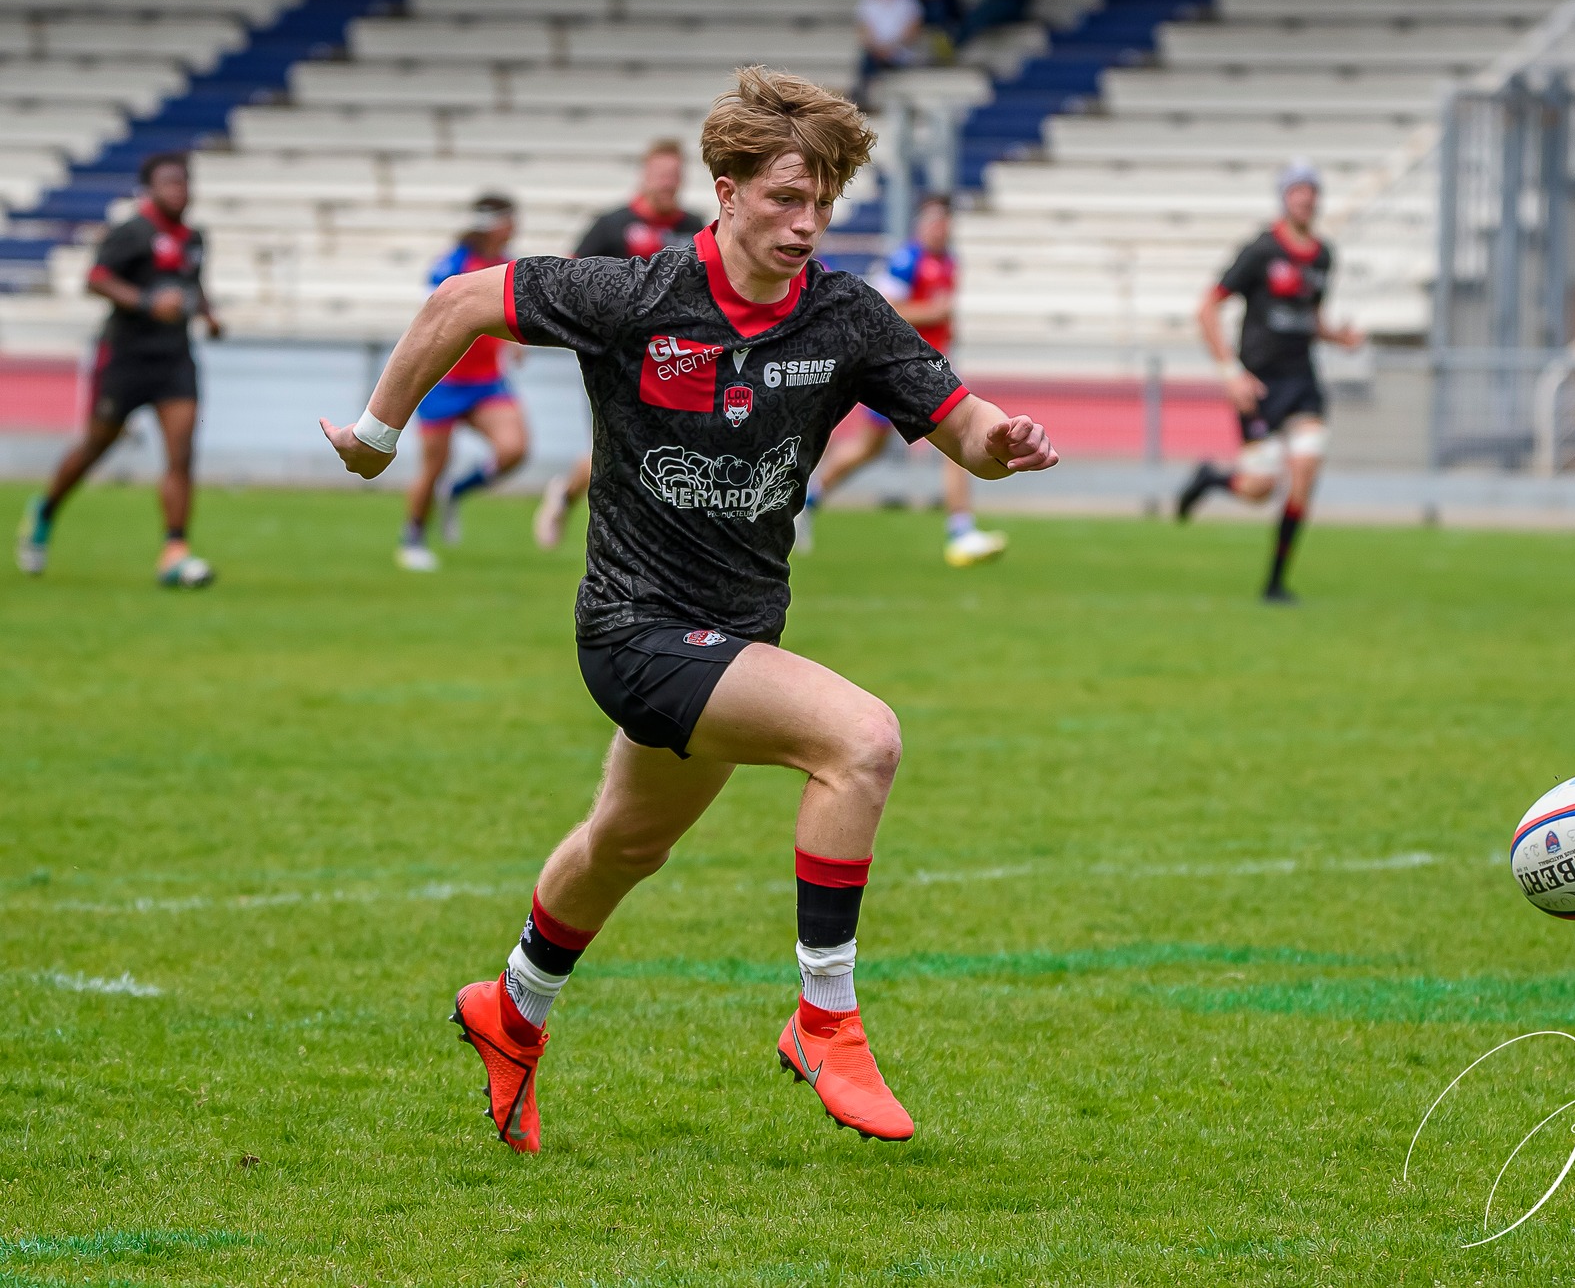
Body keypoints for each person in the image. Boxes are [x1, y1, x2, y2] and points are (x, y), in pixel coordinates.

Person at [320, 67, 1058, 1150]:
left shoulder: (844, 315)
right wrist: (379, 437)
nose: (804, 225)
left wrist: (1001, 445)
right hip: (630, 630)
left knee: (622, 846)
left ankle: (510, 1011)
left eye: (821, 204)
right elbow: (459, 301)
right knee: (861, 742)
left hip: (733, 639)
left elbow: (961, 425)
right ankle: (825, 1020)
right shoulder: (637, 298)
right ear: (724, 189)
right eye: (782, 200)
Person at [16, 152, 221, 587]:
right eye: (169, 183)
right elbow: (95, 279)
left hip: (175, 358)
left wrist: (208, 313)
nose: (178, 191)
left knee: (181, 454)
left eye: (183, 183)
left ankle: (175, 550)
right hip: (126, 356)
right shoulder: (131, 233)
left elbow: (193, 284)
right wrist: (146, 302)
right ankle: (46, 509)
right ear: (150, 189)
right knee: (96, 445)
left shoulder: (195, 238)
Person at [1177, 160, 1363, 604]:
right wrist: (1231, 373)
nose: (1306, 198)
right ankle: (1210, 480)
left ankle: (1275, 583)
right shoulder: (1260, 251)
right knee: (1259, 489)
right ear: (1284, 198)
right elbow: (1207, 308)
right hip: (1258, 386)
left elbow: (1309, 317)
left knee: (1305, 468)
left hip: (1302, 383)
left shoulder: (1323, 255)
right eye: (1297, 190)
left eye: (1312, 190)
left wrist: (1337, 336)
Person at [800, 195, 1006, 567]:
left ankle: (960, 531)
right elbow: (885, 311)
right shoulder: (907, 260)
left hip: (930, 369)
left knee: (937, 443)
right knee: (877, 447)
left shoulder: (948, 262)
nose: (940, 228)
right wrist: (933, 312)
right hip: (902, 372)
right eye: (934, 221)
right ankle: (808, 500)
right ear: (921, 225)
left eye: (945, 221)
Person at [535, 141, 707, 551]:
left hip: (677, 357)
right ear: (645, 176)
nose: (667, 184)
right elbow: (570, 279)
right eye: (660, 174)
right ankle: (574, 500)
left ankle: (655, 537)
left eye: (674, 176)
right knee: (617, 446)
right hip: (615, 358)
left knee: (671, 446)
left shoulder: (696, 224)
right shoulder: (611, 225)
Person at [398, 193, 529, 571]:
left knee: (513, 449)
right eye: (509, 218)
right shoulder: (453, 264)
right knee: (433, 465)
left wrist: (513, 342)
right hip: (444, 380)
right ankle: (413, 536)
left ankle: (457, 492)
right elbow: (436, 314)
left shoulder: (507, 264)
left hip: (486, 381)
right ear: (495, 223)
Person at [855, 0, 925, 102]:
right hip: (876, 52)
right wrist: (877, 48)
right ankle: (864, 97)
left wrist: (891, 47)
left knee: (874, 64)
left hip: (900, 52)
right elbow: (863, 29)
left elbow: (913, 28)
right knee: (868, 61)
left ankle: (864, 97)